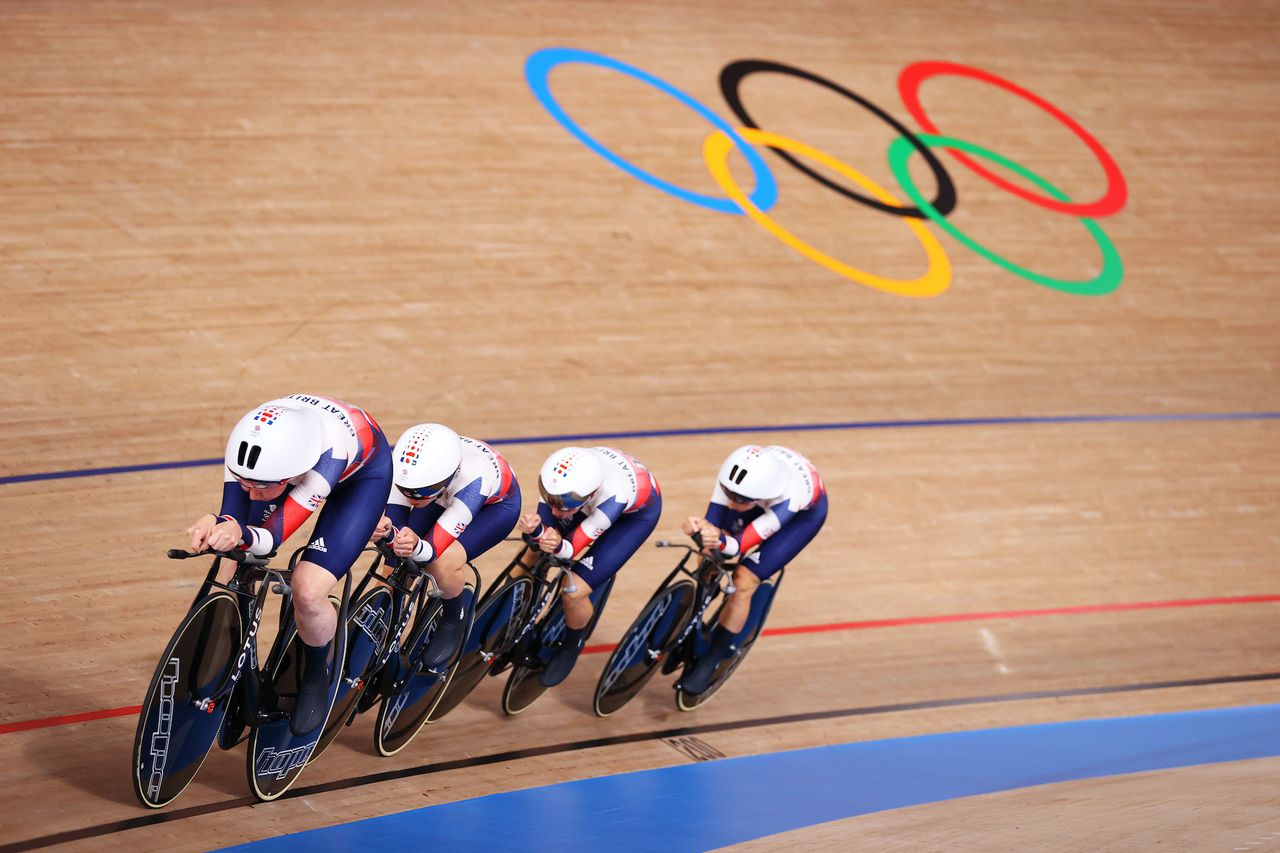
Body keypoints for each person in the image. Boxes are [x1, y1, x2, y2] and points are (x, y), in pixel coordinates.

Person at [185, 394, 392, 736]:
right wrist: (217, 523)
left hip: (361, 478)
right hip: (293, 457)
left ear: (292, 475)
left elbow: (271, 538)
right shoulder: (247, 443)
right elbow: (234, 515)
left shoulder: (327, 457)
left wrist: (240, 532)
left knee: (307, 591)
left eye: (259, 487)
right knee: (230, 565)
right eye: (243, 483)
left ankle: (315, 675)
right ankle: (227, 658)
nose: (248, 492)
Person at [372, 423, 521, 672]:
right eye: (407, 492)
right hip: (438, 493)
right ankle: (375, 632)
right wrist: (385, 532)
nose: (411, 498)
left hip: (493, 508)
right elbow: (394, 533)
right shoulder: (404, 471)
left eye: (419, 493)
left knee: (441, 562)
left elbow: (430, 551)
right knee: (394, 564)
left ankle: (454, 617)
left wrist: (416, 544)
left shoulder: (474, 480)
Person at [679, 444, 827, 695]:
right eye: (730, 494)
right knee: (707, 557)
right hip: (759, 495)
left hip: (801, 517)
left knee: (743, 580)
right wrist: (702, 530)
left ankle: (711, 659)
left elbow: (737, 546)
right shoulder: (733, 477)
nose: (733, 504)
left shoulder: (790, 498)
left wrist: (720, 539)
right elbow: (713, 524)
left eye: (741, 500)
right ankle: (694, 622)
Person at [515, 446, 662, 687]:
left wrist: (548, 536)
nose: (553, 509)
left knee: (573, 591)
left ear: (590, 494)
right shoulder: (557, 481)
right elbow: (545, 528)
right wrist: (536, 531)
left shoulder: (614, 497)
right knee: (532, 550)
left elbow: (569, 549)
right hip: (585, 500)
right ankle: (514, 614)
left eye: (561, 505)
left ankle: (572, 644)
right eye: (551, 500)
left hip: (632, 518)